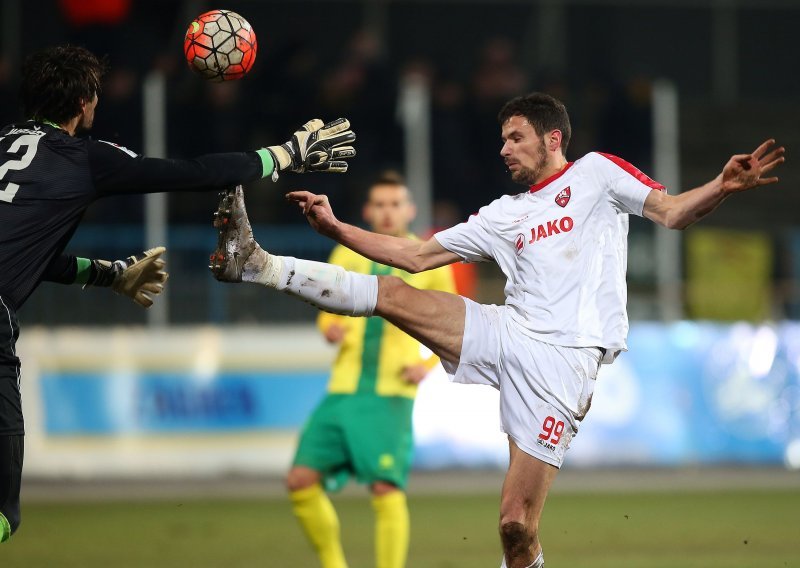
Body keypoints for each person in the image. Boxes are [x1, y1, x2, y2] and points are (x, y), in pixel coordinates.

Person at [209, 92, 785, 568]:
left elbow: (671, 211)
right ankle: (256, 262)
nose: (503, 147)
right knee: (392, 292)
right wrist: (335, 227)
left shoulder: (596, 174)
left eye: (516, 137)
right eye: (503, 138)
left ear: (552, 138)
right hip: (510, 330)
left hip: (566, 362)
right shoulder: (502, 215)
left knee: (515, 527)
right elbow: (414, 254)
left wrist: (720, 185)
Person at [0, 44, 356, 543]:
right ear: (83, 103)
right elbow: (193, 173)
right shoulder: (83, 158)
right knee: (3, 509)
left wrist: (107, 274)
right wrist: (285, 156)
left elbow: (23, 251)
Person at [284, 171, 455, 568]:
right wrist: (330, 327)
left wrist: (427, 363)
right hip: (343, 388)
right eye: (380, 204)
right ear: (367, 210)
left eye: (395, 204)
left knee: (384, 487)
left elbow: (452, 321)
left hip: (390, 390)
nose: (387, 211)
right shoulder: (348, 253)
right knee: (300, 481)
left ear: (409, 210)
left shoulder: (430, 258)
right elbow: (323, 306)